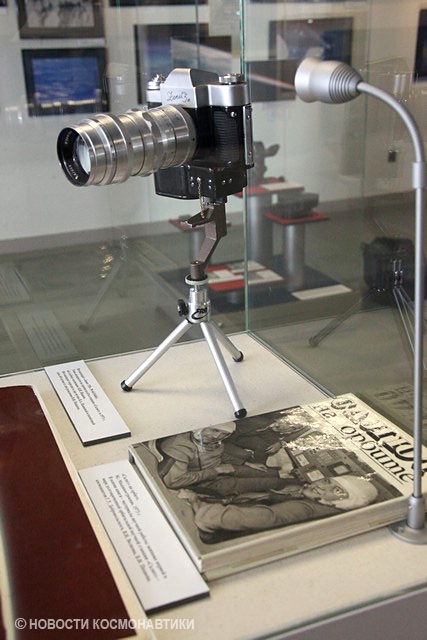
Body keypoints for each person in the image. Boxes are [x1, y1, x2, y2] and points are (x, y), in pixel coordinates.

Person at [179, 474, 379, 542]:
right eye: (327, 481)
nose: (322, 486)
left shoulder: (306, 509)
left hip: (211, 531)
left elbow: (267, 517)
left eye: (337, 490)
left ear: (347, 501)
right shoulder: (320, 504)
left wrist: (198, 504)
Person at [157, 422, 287, 497]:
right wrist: (217, 471)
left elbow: (218, 454)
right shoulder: (178, 447)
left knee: (260, 471)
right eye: (214, 430)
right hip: (201, 482)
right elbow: (174, 482)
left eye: (223, 434)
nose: (216, 436)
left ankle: (285, 475)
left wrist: (246, 463)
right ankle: (290, 482)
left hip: (218, 469)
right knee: (257, 483)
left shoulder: (205, 438)